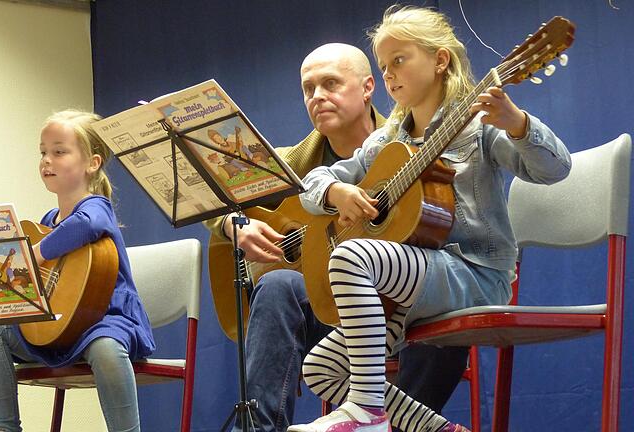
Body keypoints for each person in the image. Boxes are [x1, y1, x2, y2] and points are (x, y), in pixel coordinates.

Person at [289, 5, 571, 432]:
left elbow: (555, 169)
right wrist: (335, 190)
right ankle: (438, 430)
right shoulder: (386, 141)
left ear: (440, 60)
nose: (388, 74)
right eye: (383, 66)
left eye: (399, 60)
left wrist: (517, 124)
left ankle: (367, 413)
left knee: (352, 257)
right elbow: (311, 182)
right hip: (415, 286)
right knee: (321, 369)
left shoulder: (478, 125)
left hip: (474, 275)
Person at [204, 42, 472, 432]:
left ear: (367, 88)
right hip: (328, 318)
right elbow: (209, 196)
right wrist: (235, 225)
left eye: (330, 83)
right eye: (308, 89)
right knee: (278, 282)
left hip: (396, 312)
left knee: (439, 319)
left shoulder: (409, 144)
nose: (317, 97)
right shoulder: (294, 163)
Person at [0, 110, 156, 432]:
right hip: (59, 327)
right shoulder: (47, 220)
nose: (47, 160)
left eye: (59, 151)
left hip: (104, 321)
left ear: (93, 163)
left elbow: (87, 225)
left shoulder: (96, 206)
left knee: (106, 348)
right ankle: (4, 428)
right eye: (43, 152)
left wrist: (34, 254)